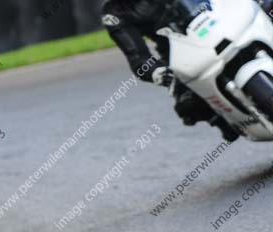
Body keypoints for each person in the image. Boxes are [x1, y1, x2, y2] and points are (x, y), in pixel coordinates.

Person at [101, 0, 273, 141]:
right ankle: (225, 120)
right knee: (188, 103)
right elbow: (138, 59)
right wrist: (162, 74)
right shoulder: (114, 13)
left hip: (219, 18)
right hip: (181, 51)